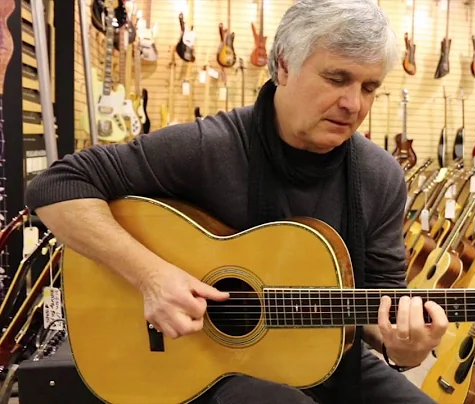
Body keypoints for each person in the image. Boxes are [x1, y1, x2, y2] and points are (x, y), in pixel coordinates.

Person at [24, 0, 448, 403]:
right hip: (209, 366)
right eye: (337, 79)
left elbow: (386, 308)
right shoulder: (211, 146)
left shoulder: (381, 176)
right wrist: (150, 275)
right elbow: (56, 185)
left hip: (329, 361)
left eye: (369, 87)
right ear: (282, 65)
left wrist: (406, 347)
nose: (353, 104)